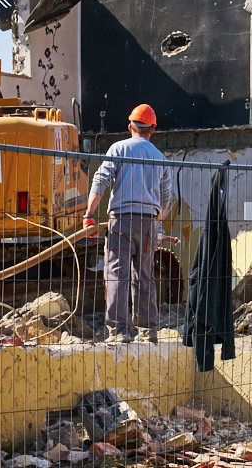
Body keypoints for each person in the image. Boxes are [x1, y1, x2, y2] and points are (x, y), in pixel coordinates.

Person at [83, 104, 173, 343]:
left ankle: (119, 332)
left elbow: (100, 180)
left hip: (121, 221)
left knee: (116, 275)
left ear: (130, 126)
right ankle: (148, 330)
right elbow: (166, 199)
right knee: (144, 276)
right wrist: (155, 222)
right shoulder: (159, 158)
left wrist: (89, 214)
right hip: (147, 224)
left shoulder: (118, 148)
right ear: (153, 129)